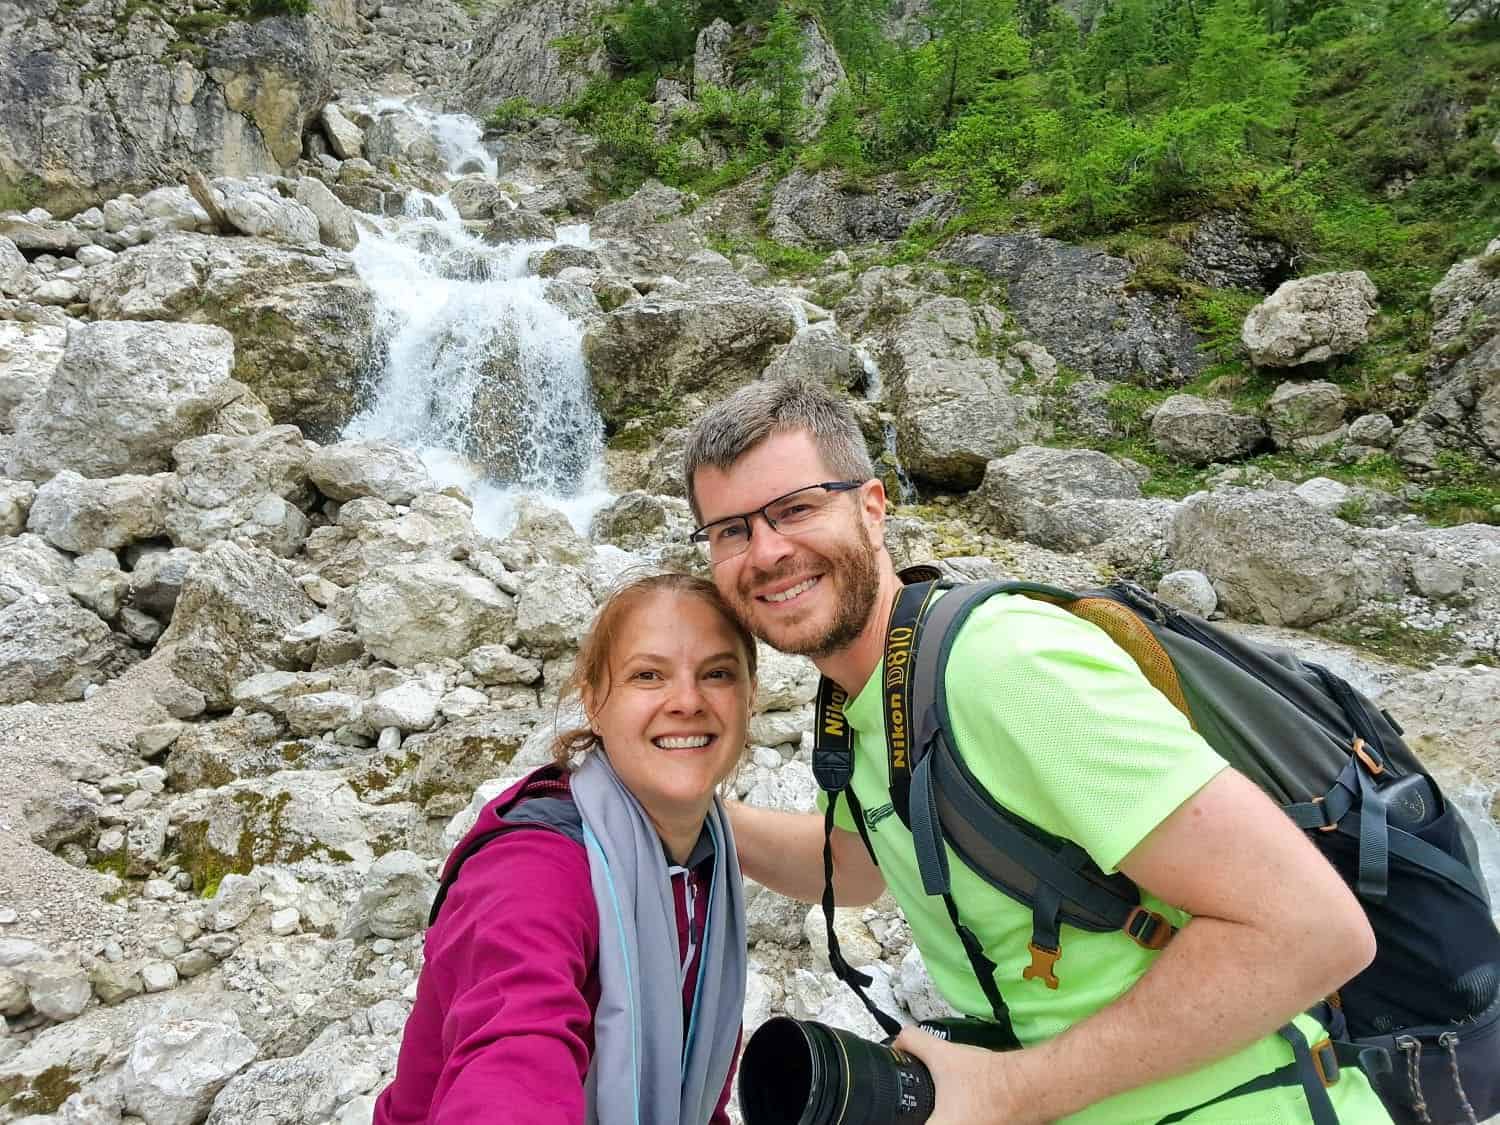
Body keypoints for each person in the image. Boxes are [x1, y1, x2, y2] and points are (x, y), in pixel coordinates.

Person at [683, 378, 1394, 1125]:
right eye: (731, 529)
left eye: (795, 508)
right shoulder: (868, 697)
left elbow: (1311, 929)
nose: (767, 551)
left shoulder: (1007, 665)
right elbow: (856, 865)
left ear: (871, 507)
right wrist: (692, 812)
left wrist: (1011, 1091)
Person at [374, 572, 755, 1125]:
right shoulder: (531, 868)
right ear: (593, 703)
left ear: (750, 699)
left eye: (717, 673)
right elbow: (512, 1051)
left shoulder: (703, 859)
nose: (687, 701)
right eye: (647, 675)